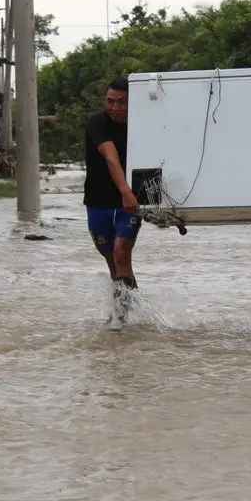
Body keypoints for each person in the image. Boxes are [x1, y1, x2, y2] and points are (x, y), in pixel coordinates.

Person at [83, 78, 143, 324]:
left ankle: (120, 317)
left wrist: (129, 194)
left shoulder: (142, 125)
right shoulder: (97, 123)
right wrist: (124, 189)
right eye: (110, 101)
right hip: (98, 200)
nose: (115, 107)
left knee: (121, 251)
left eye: (121, 102)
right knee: (111, 259)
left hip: (129, 202)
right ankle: (130, 309)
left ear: (132, 103)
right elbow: (111, 159)